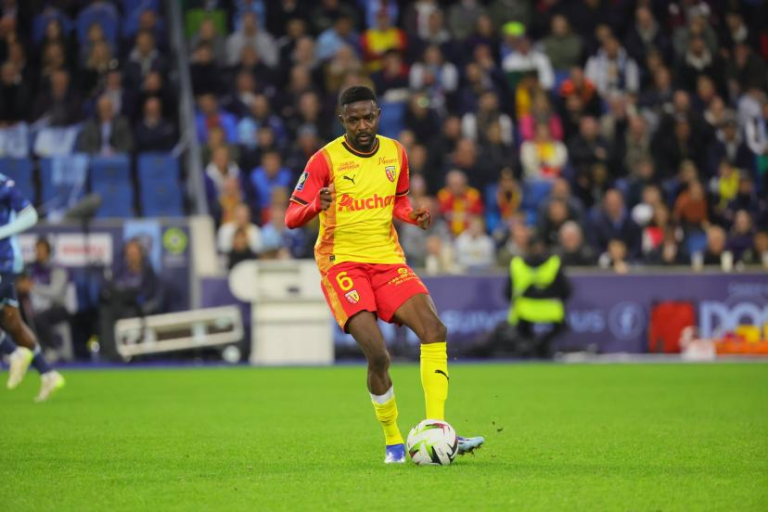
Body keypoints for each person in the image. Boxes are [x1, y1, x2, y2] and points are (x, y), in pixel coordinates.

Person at [285, 86, 484, 464]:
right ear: (342, 120)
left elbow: (398, 201)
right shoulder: (324, 160)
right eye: (354, 120)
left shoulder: (396, 153)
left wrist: (412, 215)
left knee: (434, 330)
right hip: (342, 263)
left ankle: (437, 430)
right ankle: (393, 440)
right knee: (378, 354)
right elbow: (291, 217)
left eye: (368, 117)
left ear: (378, 115)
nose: (362, 126)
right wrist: (315, 205)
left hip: (388, 260)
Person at [0, 174, 65, 402]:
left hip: (5, 261)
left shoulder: (3, 184)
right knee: (13, 322)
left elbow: (30, 216)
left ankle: (14, 353)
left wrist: (1, 232)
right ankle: (48, 374)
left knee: (12, 323)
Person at [504, 236, 571, 358]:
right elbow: (566, 291)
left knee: (522, 330)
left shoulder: (517, 264)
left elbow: (508, 293)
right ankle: (541, 345)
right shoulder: (553, 263)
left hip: (524, 311)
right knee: (562, 327)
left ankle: (531, 347)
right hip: (551, 310)